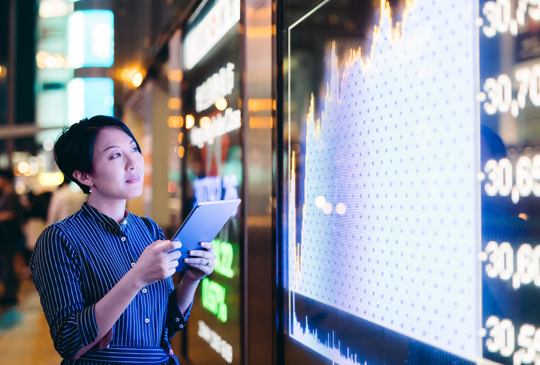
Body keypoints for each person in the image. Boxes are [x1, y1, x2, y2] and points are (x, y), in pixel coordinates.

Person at [31, 116, 216, 365]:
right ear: (84, 176)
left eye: (133, 148)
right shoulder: (59, 239)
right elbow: (69, 340)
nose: (133, 163)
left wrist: (192, 279)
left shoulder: (149, 230)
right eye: (115, 155)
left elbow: (165, 327)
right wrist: (137, 277)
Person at [0, 169, 24, 305]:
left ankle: (10, 292)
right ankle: (8, 291)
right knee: (5, 263)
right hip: (5, 235)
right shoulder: (5, 194)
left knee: (6, 263)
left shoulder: (11, 195)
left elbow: (11, 213)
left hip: (8, 236)